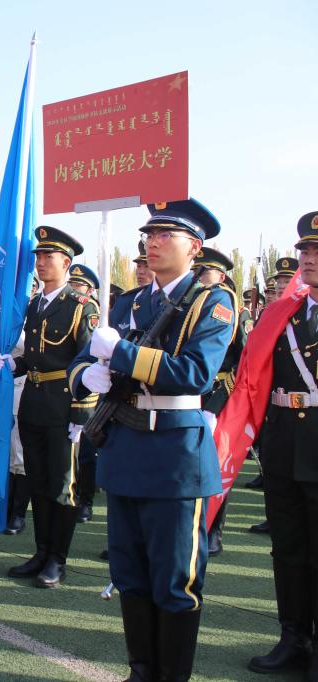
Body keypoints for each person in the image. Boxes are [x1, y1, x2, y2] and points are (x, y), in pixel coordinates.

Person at [69, 198, 234, 681]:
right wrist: (86, 376)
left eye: (166, 235)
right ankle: (141, 670)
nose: (153, 243)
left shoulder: (212, 303)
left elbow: (196, 373)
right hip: (124, 450)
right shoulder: (129, 303)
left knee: (176, 579)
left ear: (195, 247)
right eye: (149, 234)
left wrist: (121, 354)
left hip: (174, 457)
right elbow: (82, 360)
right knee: (130, 573)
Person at [0, 227, 97, 589]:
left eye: (48, 257)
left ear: (66, 263)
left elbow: (90, 363)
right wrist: (13, 364)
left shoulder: (81, 306)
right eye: (38, 257)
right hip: (34, 402)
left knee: (62, 485)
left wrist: (81, 414)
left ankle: (58, 558)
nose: (40, 263)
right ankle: (41, 551)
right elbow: (36, 356)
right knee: (37, 481)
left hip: (63, 405)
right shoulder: (35, 304)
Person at [247, 212, 318, 680]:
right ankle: (293, 636)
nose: (308, 259)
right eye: (305, 251)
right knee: (288, 547)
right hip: (284, 443)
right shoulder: (283, 314)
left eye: (317, 252)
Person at [194, 247, 250, 557]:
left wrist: (217, 403)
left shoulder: (232, 309)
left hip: (217, 395)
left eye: (206, 272)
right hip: (189, 394)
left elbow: (243, 361)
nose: (200, 276)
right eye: (197, 270)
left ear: (221, 276)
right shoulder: (188, 303)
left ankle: (214, 530)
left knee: (215, 465)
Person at [67, 264, 103, 524]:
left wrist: (83, 398)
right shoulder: (65, 307)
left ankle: (85, 500)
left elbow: (88, 354)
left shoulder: (89, 310)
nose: (73, 289)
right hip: (61, 388)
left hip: (85, 391)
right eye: (72, 284)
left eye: (78, 285)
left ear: (89, 290)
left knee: (86, 453)